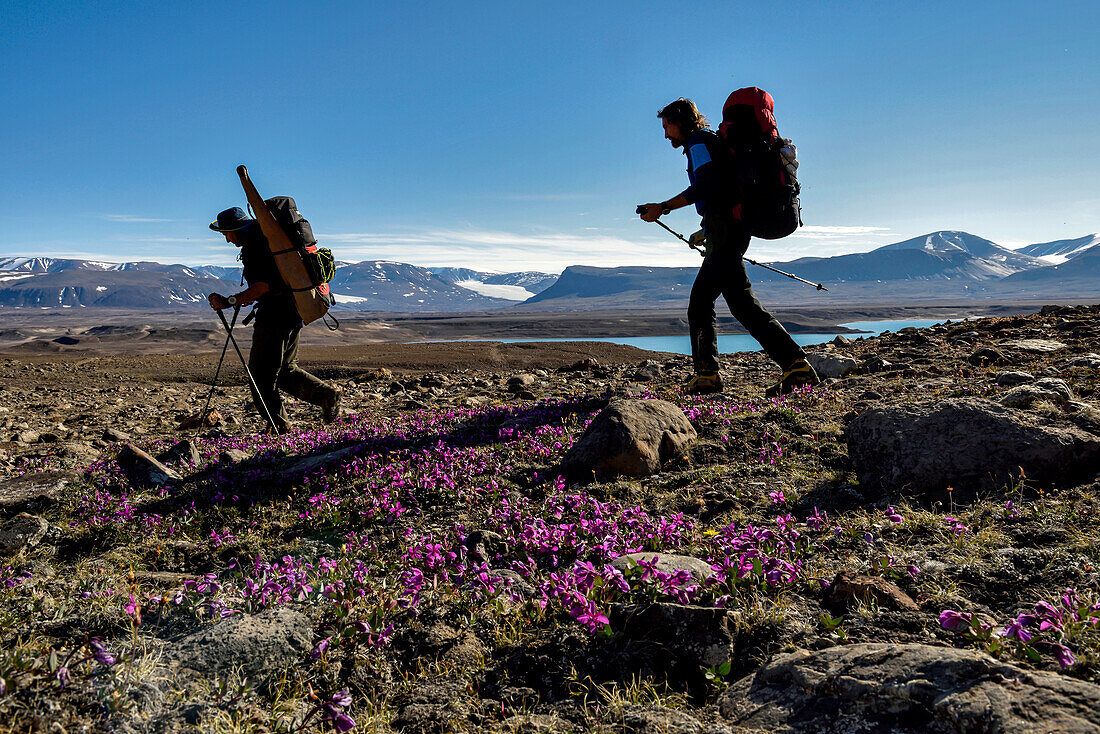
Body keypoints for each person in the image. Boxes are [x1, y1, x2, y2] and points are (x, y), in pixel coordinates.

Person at [639, 98, 819, 396]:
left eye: (667, 126)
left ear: (680, 121)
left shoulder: (698, 142)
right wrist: (706, 229)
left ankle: (789, 366)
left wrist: (663, 207)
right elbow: (723, 191)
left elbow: (706, 186)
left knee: (720, 303)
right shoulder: (711, 141)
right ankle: (719, 373)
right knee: (721, 301)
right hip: (727, 228)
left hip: (727, 231)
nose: (666, 133)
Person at [207, 207, 341, 432]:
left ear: (235, 229)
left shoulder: (256, 246)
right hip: (292, 310)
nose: (227, 239)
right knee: (286, 371)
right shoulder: (268, 239)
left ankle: (279, 426)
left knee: (261, 375)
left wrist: (230, 301)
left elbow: (263, 286)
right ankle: (326, 395)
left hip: (274, 316)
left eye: (226, 234)